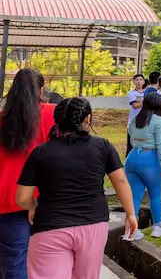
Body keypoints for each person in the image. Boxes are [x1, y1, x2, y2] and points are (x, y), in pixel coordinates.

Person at [16, 98, 137, 279]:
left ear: (57, 121)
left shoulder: (41, 152)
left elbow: (22, 198)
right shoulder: (103, 146)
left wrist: (33, 206)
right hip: (93, 226)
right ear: (87, 118)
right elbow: (120, 181)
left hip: (50, 226)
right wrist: (130, 213)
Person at [0, 69, 56, 278]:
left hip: (5, 200)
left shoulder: (2, 118)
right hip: (37, 200)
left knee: (10, 261)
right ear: (41, 90)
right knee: (34, 262)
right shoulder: (52, 114)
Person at [125, 93, 161, 239]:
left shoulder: (135, 119)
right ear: (159, 104)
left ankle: (130, 230)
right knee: (155, 195)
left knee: (135, 196)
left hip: (133, 158)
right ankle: (158, 227)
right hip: (150, 159)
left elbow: (131, 139)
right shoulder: (158, 121)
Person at [126, 74, 146, 155]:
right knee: (132, 141)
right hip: (133, 120)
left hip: (145, 119)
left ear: (144, 81)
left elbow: (139, 103)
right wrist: (145, 101)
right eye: (137, 80)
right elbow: (135, 105)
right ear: (134, 82)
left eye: (141, 79)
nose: (139, 81)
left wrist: (140, 101)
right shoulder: (131, 93)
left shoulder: (147, 92)